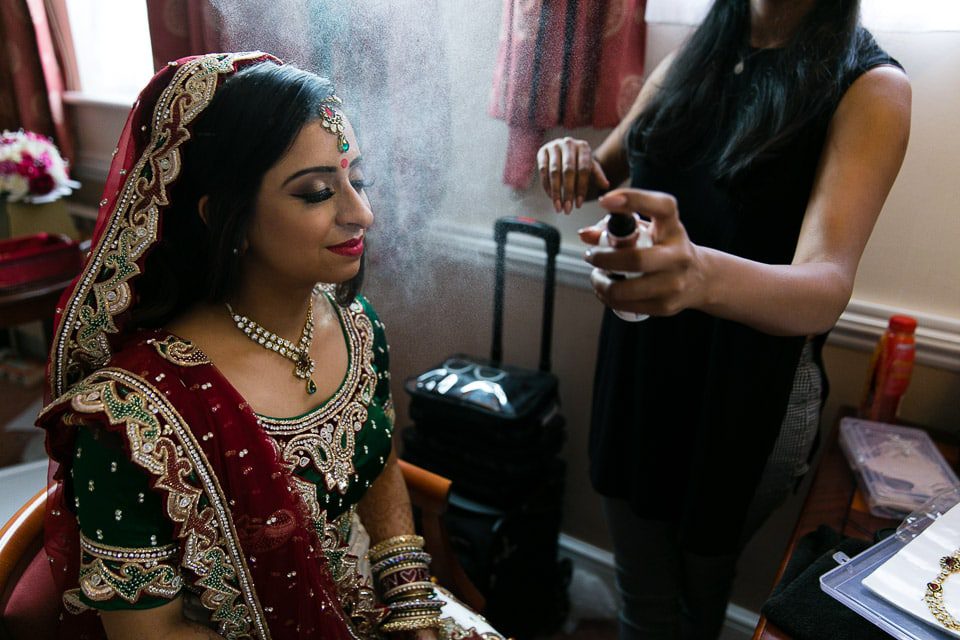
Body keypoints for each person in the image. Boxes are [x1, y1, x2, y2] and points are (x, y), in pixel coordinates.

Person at [37, 53, 500, 640]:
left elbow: (378, 459)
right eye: (315, 193)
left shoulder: (355, 326)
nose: (363, 214)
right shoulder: (133, 418)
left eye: (358, 182)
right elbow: (150, 635)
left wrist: (412, 605)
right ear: (223, 218)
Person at [537, 1, 910, 638]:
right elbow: (613, 171)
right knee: (644, 597)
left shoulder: (871, 87)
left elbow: (825, 285)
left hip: (747, 396)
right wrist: (570, 158)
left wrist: (702, 277)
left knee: (697, 598)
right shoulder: (698, 52)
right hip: (642, 372)